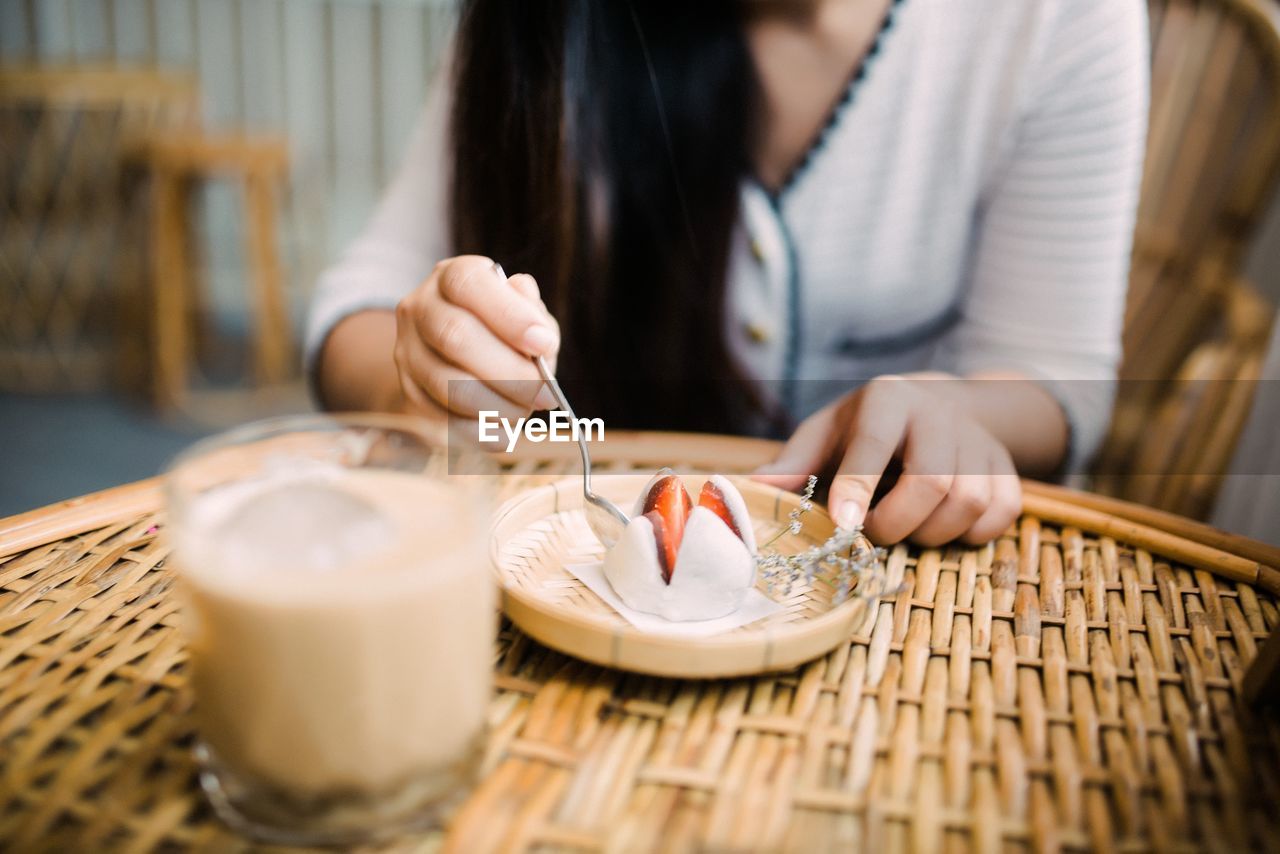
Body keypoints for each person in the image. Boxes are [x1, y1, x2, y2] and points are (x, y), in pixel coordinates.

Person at [307, 0, 1148, 546]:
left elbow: (1057, 377)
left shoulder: (1055, 19)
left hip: (893, 589)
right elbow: (358, 308)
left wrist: (956, 411)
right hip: (575, 558)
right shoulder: (545, 25)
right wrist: (422, 374)